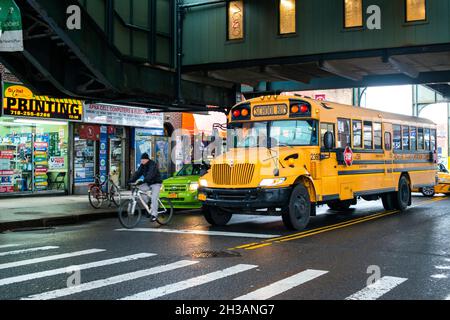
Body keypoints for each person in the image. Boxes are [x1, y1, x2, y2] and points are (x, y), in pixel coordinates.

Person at [129, 153, 163, 222]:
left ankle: (154, 215)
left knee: (154, 198)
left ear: (146, 159)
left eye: (143, 160)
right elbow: (137, 173)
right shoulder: (142, 166)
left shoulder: (152, 164)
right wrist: (130, 180)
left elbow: (150, 174)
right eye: (141, 160)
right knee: (139, 189)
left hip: (156, 183)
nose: (141, 161)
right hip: (148, 183)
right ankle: (148, 203)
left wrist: (143, 181)